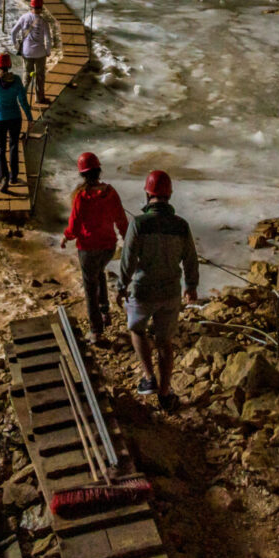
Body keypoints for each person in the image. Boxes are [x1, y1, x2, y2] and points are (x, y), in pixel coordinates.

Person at [114, 170, 199, 407]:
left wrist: (121, 287)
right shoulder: (182, 225)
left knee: (137, 330)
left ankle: (149, 377)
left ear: (147, 193)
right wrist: (191, 286)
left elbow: (128, 260)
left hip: (143, 292)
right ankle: (164, 392)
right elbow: (191, 258)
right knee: (165, 342)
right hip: (171, 292)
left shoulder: (138, 224)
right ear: (169, 195)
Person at [60, 152, 127, 344]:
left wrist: (66, 237)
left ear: (82, 174)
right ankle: (105, 311)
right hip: (108, 246)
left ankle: (96, 330)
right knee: (100, 273)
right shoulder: (111, 192)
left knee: (90, 286)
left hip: (88, 248)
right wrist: (128, 240)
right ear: (99, 170)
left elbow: (74, 225)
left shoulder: (81, 196)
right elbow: (121, 220)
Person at [0, 53, 30, 189]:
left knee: (1, 149)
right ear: (9, 65)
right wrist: (30, 117)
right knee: (14, 146)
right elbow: (23, 101)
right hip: (15, 117)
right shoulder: (16, 79)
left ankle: (3, 178)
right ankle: (14, 176)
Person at [10, 0, 55, 101]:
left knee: (26, 77)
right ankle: (39, 98)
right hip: (40, 53)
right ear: (41, 7)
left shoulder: (24, 18)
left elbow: (13, 32)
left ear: (31, 6)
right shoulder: (44, 22)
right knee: (40, 76)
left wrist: (16, 46)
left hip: (26, 53)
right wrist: (48, 52)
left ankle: (22, 99)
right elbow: (48, 39)